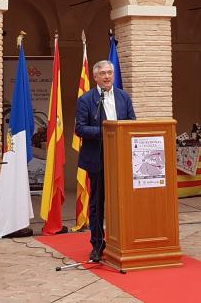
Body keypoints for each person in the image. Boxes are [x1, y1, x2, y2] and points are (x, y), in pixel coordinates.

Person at [74, 60, 135, 263]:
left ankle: (125, 241)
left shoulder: (123, 97)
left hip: (122, 158)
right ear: (96, 77)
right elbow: (80, 129)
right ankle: (97, 245)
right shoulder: (86, 100)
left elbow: (132, 123)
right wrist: (107, 131)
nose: (108, 76)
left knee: (123, 202)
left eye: (110, 73)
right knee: (98, 203)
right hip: (97, 159)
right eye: (103, 74)